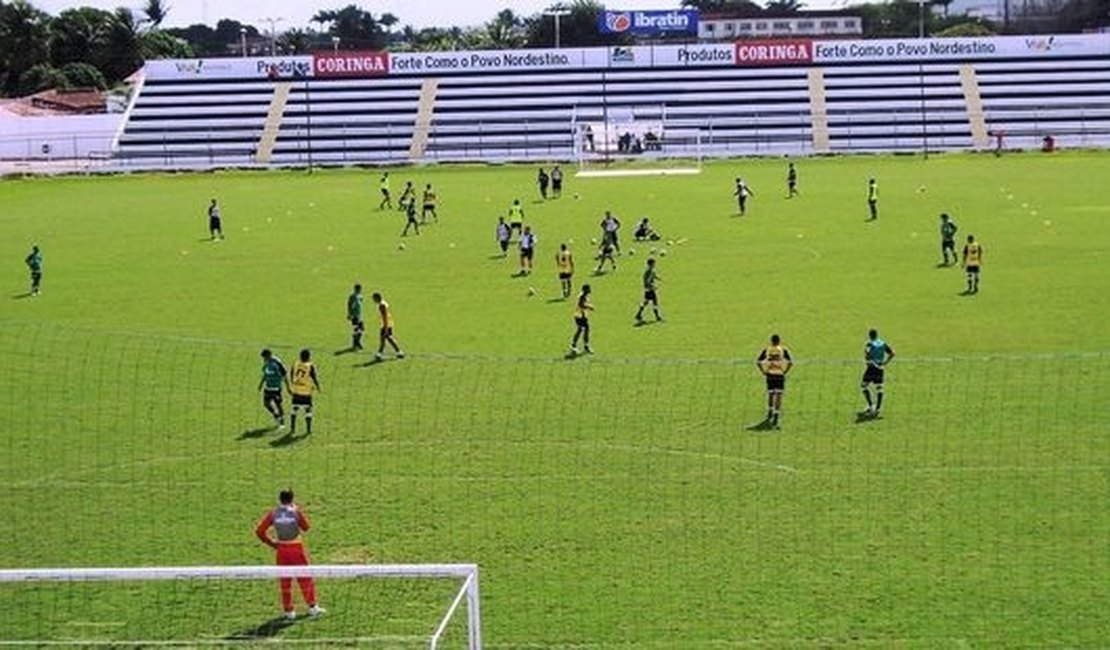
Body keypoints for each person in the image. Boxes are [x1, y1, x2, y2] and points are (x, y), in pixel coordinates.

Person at [254, 489, 325, 621]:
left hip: (282, 549)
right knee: (305, 578)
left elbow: (259, 531)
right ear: (292, 499)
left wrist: (272, 543)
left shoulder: (272, 514)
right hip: (296, 548)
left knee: (285, 581)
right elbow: (306, 527)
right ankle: (312, 607)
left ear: (280, 499)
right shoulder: (296, 512)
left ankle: (289, 611)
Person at [755, 334, 793, 429]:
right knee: (779, 394)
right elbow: (791, 362)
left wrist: (763, 371)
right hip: (780, 374)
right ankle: (776, 413)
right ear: (779, 341)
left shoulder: (767, 350)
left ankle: (770, 410)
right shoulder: (783, 350)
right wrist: (785, 371)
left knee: (771, 393)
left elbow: (758, 361)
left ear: (771, 341)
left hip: (770, 374)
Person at [860, 329, 895, 418]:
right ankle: (878, 409)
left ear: (870, 335)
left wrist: (867, 359)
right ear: (877, 335)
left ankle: (871, 406)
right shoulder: (882, 343)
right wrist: (885, 362)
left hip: (871, 368)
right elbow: (892, 353)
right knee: (879, 388)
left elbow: (867, 352)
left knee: (863, 386)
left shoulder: (869, 343)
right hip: (880, 368)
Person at [289, 349, 320, 435]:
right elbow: (314, 377)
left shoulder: (295, 364)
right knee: (308, 410)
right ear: (309, 357)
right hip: (306, 392)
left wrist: (293, 383)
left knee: (294, 409)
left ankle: (292, 428)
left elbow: (291, 374)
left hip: (296, 391)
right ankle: (308, 430)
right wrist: (318, 387)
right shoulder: (310, 366)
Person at [258, 349, 289, 429]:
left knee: (278, 405)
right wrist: (261, 384)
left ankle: (282, 423)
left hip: (276, 388)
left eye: (265, 358)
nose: (264, 359)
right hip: (268, 388)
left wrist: (288, 387)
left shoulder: (277, 363)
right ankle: (276, 415)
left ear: (269, 355)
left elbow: (285, 375)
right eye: (264, 358)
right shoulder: (266, 363)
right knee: (266, 404)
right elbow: (265, 373)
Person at [372, 292, 404, 360]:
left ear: (377, 298)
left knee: (387, 338)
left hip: (386, 324)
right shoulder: (383, 303)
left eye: (374, 298)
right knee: (386, 339)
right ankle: (380, 353)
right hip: (387, 324)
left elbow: (385, 317)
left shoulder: (382, 305)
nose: (373, 300)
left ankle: (398, 352)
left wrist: (385, 327)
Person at [634, 257, 663, 324]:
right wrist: (653, 287)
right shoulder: (650, 271)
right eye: (654, 263)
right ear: (651, 264)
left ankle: (638, 314)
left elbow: (652, 276)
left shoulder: (648, 270)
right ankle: (657, 317)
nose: (655, 264)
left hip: (647, 289)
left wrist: (658, 278)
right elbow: (648, 281)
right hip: (650, 289)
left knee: (646, 302)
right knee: (654, 302)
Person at [569, 284, 593, 356]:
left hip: (581, 316)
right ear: (585, 290)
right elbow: (581, 305)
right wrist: (589, 307)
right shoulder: (582, 297)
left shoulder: (583, 296)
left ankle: (576, 345)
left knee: (583, 330)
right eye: (589, 288)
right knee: (582, 330)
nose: (590, 290)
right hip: (580, 316)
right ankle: (578, 346)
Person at [347, 284, 365, 350]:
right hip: (355, 316)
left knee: (361, 329)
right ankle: (356, 343)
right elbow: (349, 305)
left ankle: (357, 342)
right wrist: (349, 314)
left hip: (359, 315)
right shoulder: (353, 296)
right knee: (356, 330)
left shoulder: (360, 296)